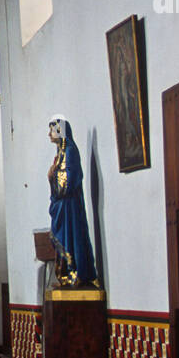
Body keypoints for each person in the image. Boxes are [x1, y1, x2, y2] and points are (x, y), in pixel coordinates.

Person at [47, 115, 99, 288]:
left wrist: (54, 176)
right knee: (63, 239)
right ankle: (66, 276)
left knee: (73, 238)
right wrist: (51, 178)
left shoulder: (70, 151)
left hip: (70, 206)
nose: (49, 134)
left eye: (52, 130)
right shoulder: (60, 153)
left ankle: (78, 273)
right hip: (62, 205)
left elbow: (71, 178)